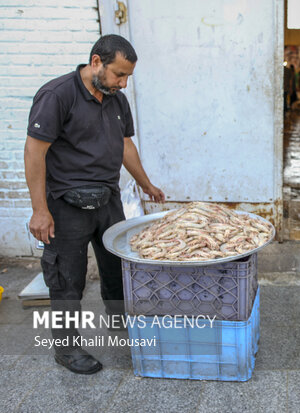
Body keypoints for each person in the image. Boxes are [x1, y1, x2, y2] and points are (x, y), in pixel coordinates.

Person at [24, 34, 165, 374]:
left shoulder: (116, 99)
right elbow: (34, 151)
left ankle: (119, 325)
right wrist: (40, 210)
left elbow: (125, 145)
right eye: (119, 74)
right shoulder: (57, 95)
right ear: (96, 62)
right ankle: (66, 348)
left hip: (108, 200)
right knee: (67, 279)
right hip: (66, 205)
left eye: (128, 76)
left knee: (118, 268)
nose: (123, 82)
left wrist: (145, 183)